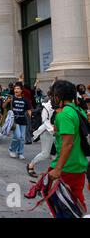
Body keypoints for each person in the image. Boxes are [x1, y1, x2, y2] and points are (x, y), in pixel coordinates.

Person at [48, 80, 88, 212]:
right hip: (78, 165)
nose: (52, 98)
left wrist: (58, 169)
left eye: (53, 95)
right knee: (77, 202)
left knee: (64, 207)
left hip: (67, 167)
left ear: (59, 96)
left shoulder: (64, 114)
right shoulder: (78, 110)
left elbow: (67, 144)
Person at [27, 93, 55, 178]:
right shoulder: (46, 107)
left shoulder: (59, 106)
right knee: (45, 154)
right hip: (47, 132)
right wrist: (52, 129)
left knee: (54, 155)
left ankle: (54, 172)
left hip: (55, 134)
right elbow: (45, 121)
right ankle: (30, 166)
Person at [4, 82, 32, 160]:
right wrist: (7, 101)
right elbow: (3, 106)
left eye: (18, 88)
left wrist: (31, 118)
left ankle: (21, 153)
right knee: (18, 136)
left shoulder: (25, 100)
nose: (16, 90)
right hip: (14, 121)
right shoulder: (11, 98)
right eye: (15, 88)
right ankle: (12, 149)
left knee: (22, 138)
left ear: (21, 90)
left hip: (23, 120)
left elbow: (29, 110)